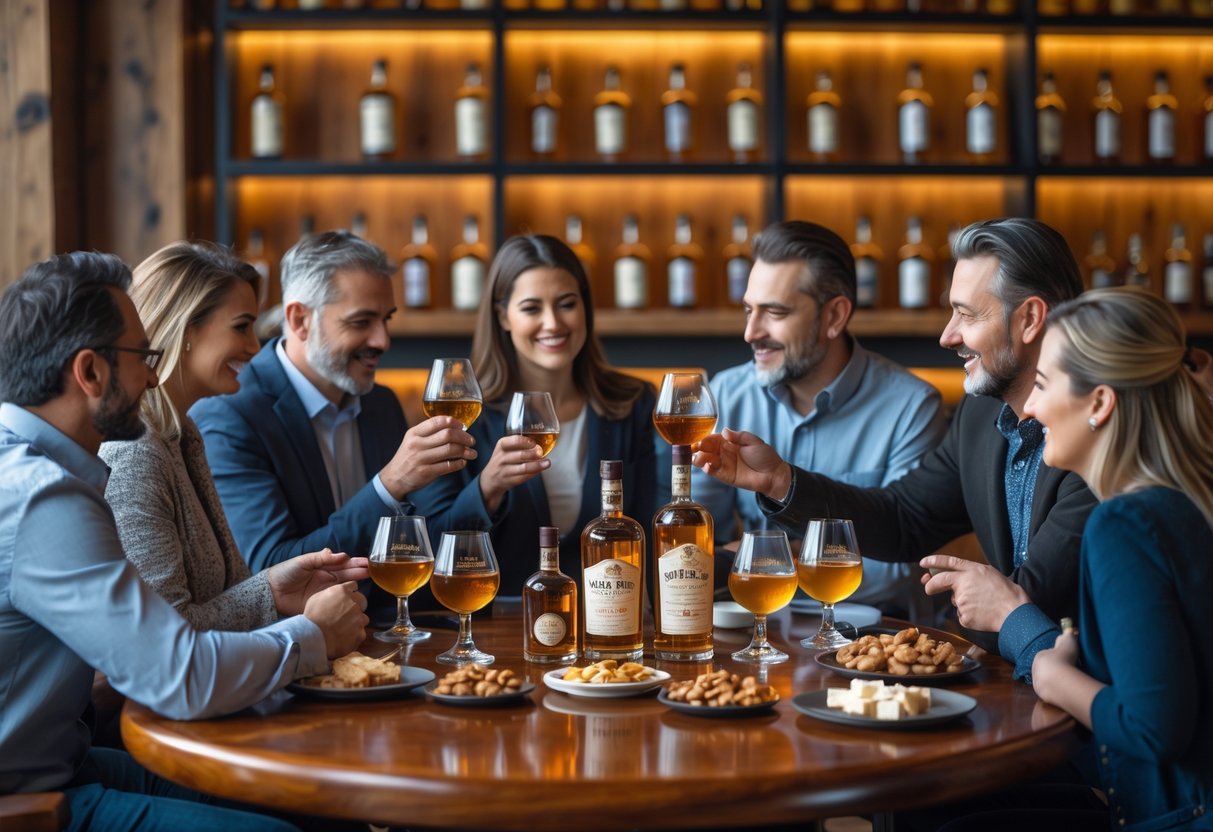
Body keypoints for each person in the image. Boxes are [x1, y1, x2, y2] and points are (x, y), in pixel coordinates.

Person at [0, 252, 367, 830]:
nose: (152, 375)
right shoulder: (42, 497)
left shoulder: (49, 469)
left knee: (324, 805)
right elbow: (179, 675)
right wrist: (312, 636)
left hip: (62, 764)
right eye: (142, 358)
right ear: (90, 372)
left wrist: (270, 593)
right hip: (28, 800)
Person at [694, 217, 1096, 668]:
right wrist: (780, 481)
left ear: (1029, 319)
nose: (947, 336)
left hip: (1083, 690)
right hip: (1016, 671)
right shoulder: (982, 415)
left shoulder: (1096, 434)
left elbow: (1033, 598)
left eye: (966, 314)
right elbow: (905, 518)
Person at [920, 288, 1213, 831]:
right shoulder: (1183, 502)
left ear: (1099, 403)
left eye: (1045, 386)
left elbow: (1154, 729)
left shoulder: (1125, 523)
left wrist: (1054, 674)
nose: (1028, 408)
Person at [668, 220, 947, 619]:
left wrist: (756, 556)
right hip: (751, 631)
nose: (750, 332)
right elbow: (693, 544)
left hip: (875, 645)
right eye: (749, 310)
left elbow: (900, 568)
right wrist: (828, 554)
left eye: (774, 313)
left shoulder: (913, 407)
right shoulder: (726, 394)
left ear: (834, 316)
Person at [191, 230, 475, 619]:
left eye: (386, 320)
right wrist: (388, 487)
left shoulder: (382, 404)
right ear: (300, 319)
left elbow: (427, 546)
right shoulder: (230, 413)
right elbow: (269, 570)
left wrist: (488, 488)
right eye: (362, 322)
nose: (383, 340)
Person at [99, 241, 369, 631]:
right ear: (183, 326)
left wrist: (274, 587)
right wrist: (304, 628)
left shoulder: (182, 436)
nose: (255, 347)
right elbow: (164, 635)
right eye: (241, 327)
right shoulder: (136, 454)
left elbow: (221, 595)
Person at [411, 234, 657, 593]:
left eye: (567, 304)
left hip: (608, 624)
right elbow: (429, 548)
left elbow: (651, 529)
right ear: (503, 316)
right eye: (531, 308)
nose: (553, 323)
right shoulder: (463, 414)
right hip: (498, 631)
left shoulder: (632, 403)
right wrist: (487, 489)